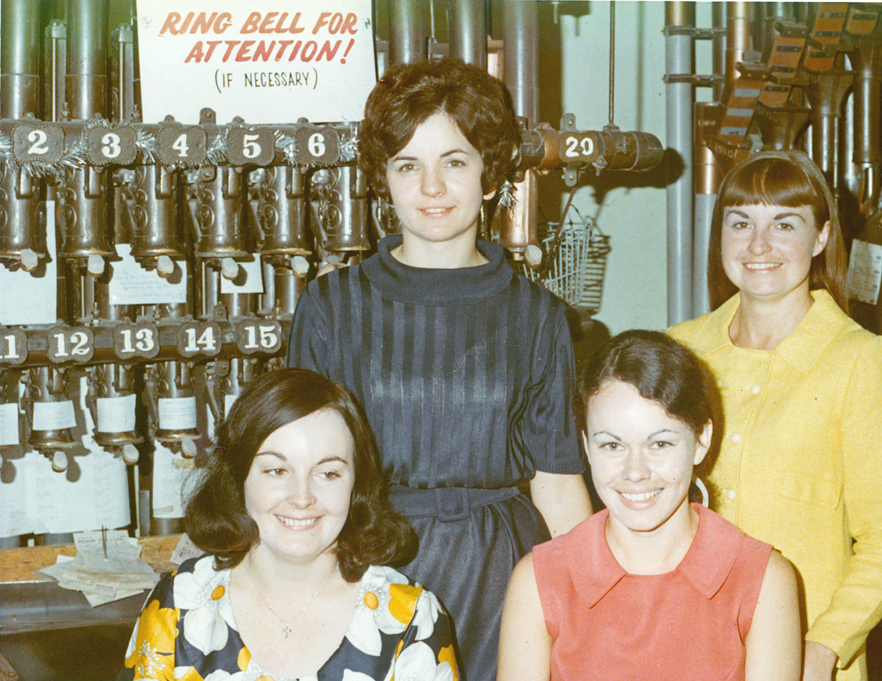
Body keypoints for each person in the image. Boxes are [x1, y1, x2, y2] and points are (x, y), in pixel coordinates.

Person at [287, 57, 592, 680]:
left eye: (454, 162)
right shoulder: (331, 306)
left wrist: (598, 605)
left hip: (500, 574)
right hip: (368, 562)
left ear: (488, 176)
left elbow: (557, 483)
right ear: (384, 179)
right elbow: (300, 476)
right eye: (408, 166)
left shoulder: (537, 316)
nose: (432, 189)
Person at [670, 150, 882, 681]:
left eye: (785, 224)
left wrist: (823, 647)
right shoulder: (680, 351)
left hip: (804, 659)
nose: (759, 245)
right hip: (686, 647)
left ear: (822, 237)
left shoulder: (860, 360)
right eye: (741, 223)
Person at [498, 330, 801, 681]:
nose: (635, 472)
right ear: (586, 445)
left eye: (659, 444)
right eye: (612, 446)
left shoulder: (763, 579)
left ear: (701, 440)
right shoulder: (539, 579)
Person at [119, 368, 458, 681]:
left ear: (357, 485)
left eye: (328, 473)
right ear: (239, 480)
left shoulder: (409, 619)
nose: (302, 497)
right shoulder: (178, 605)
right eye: (277, 471)